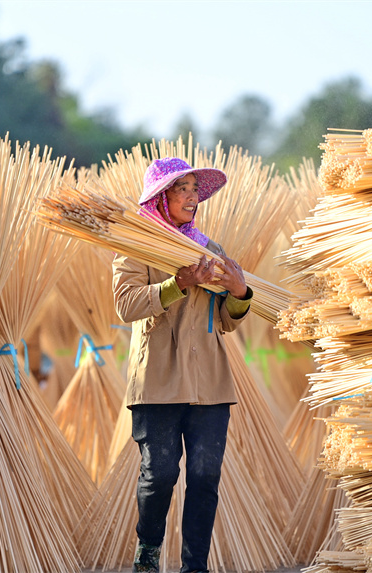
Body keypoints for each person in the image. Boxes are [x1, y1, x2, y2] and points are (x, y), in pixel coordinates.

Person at [112, 157, 253, 573]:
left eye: (196, 189)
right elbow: (126, 304)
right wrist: (179, 284)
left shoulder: (209, 250)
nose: (193, 197)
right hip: (158, 380)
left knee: (206, 476)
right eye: (183, 189)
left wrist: (239, 292)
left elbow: (226, 321)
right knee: (159, 476)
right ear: (161, 197)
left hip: (209, 383)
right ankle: (148, 554)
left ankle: (195, 567)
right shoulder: (136, 245)